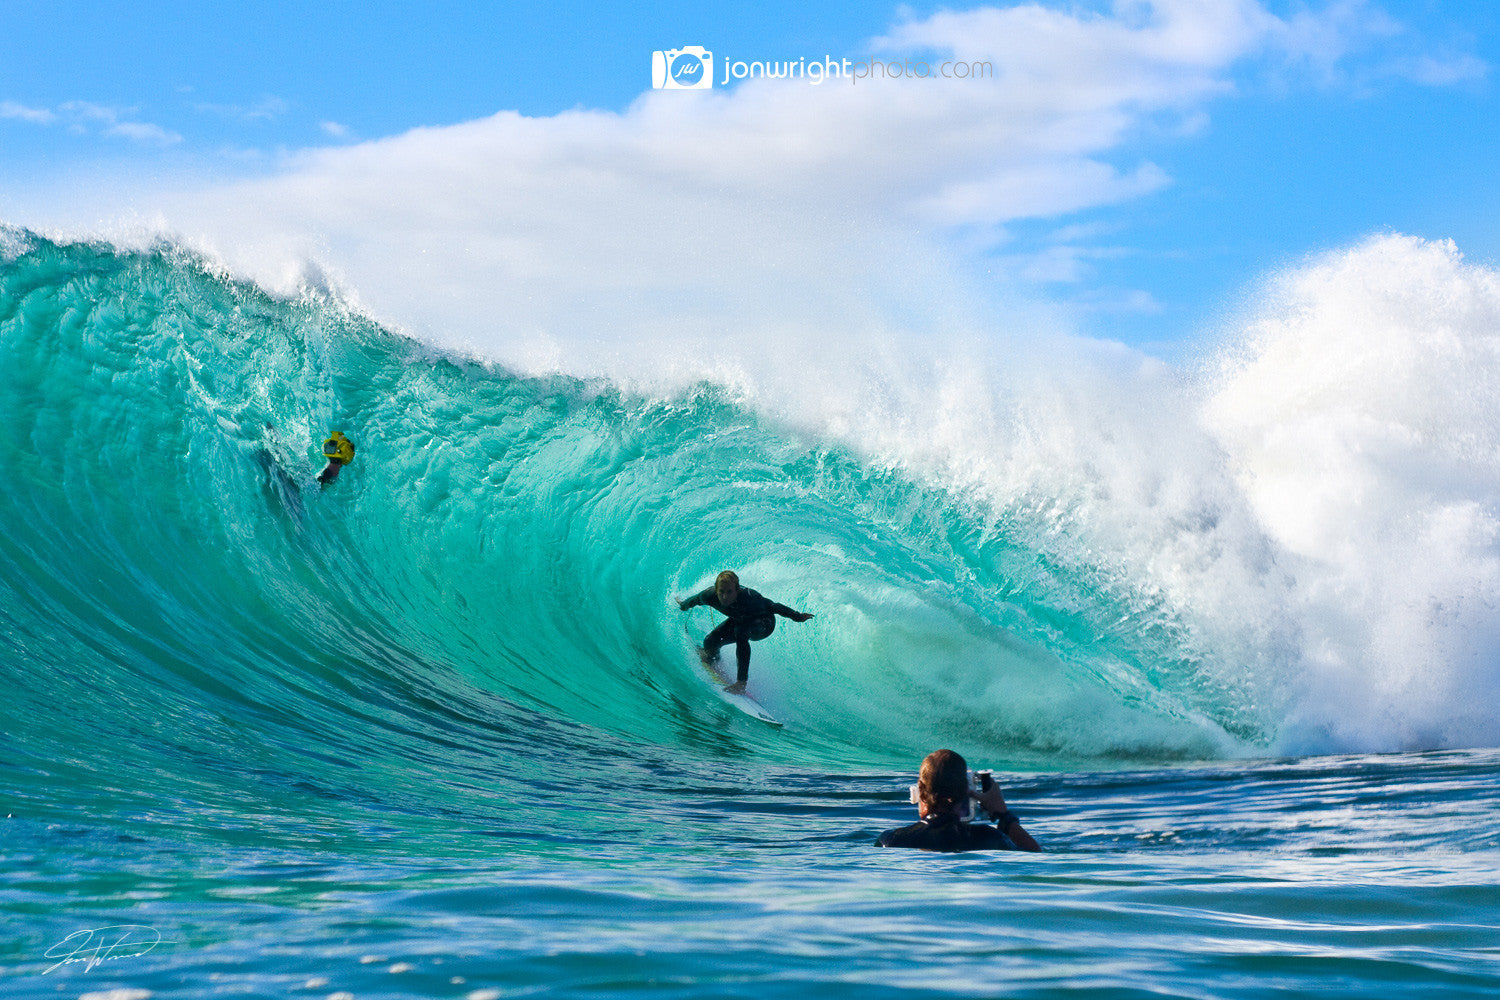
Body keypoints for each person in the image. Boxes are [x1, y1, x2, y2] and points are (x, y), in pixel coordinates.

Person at [876, 748, 1041, 852]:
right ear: (967, 792)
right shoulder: (990, 838)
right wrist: (1004, 815)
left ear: (921, 792)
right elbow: (1034, 856)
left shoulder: (891, 840)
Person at [677, 570, 814, 693]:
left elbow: (774, 607)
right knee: (710, 641)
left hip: (764, 624)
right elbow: (693, 600)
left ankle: (741, 683)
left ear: (737, 590)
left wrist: (797, 616)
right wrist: (683, 606)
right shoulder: (709, 595)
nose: (724, 596)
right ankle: (714, 660)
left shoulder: (750, 598)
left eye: (729, 592)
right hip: (740, 620)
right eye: (721, 592)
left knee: (741, 632)